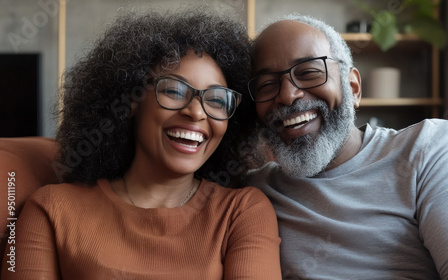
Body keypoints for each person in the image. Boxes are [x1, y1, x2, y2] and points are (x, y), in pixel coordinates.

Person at [1, 7, 281, 279]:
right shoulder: (51, 210)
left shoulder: (242, 212)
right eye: (174, 90)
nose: (196, 112)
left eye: (217, 100)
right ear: (132, 98)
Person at [240, 14, 448, 279]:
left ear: (353, 88)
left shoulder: (429, 148)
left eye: (308, 73)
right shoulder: (249, 194)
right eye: (266, 85)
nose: (287, 95)